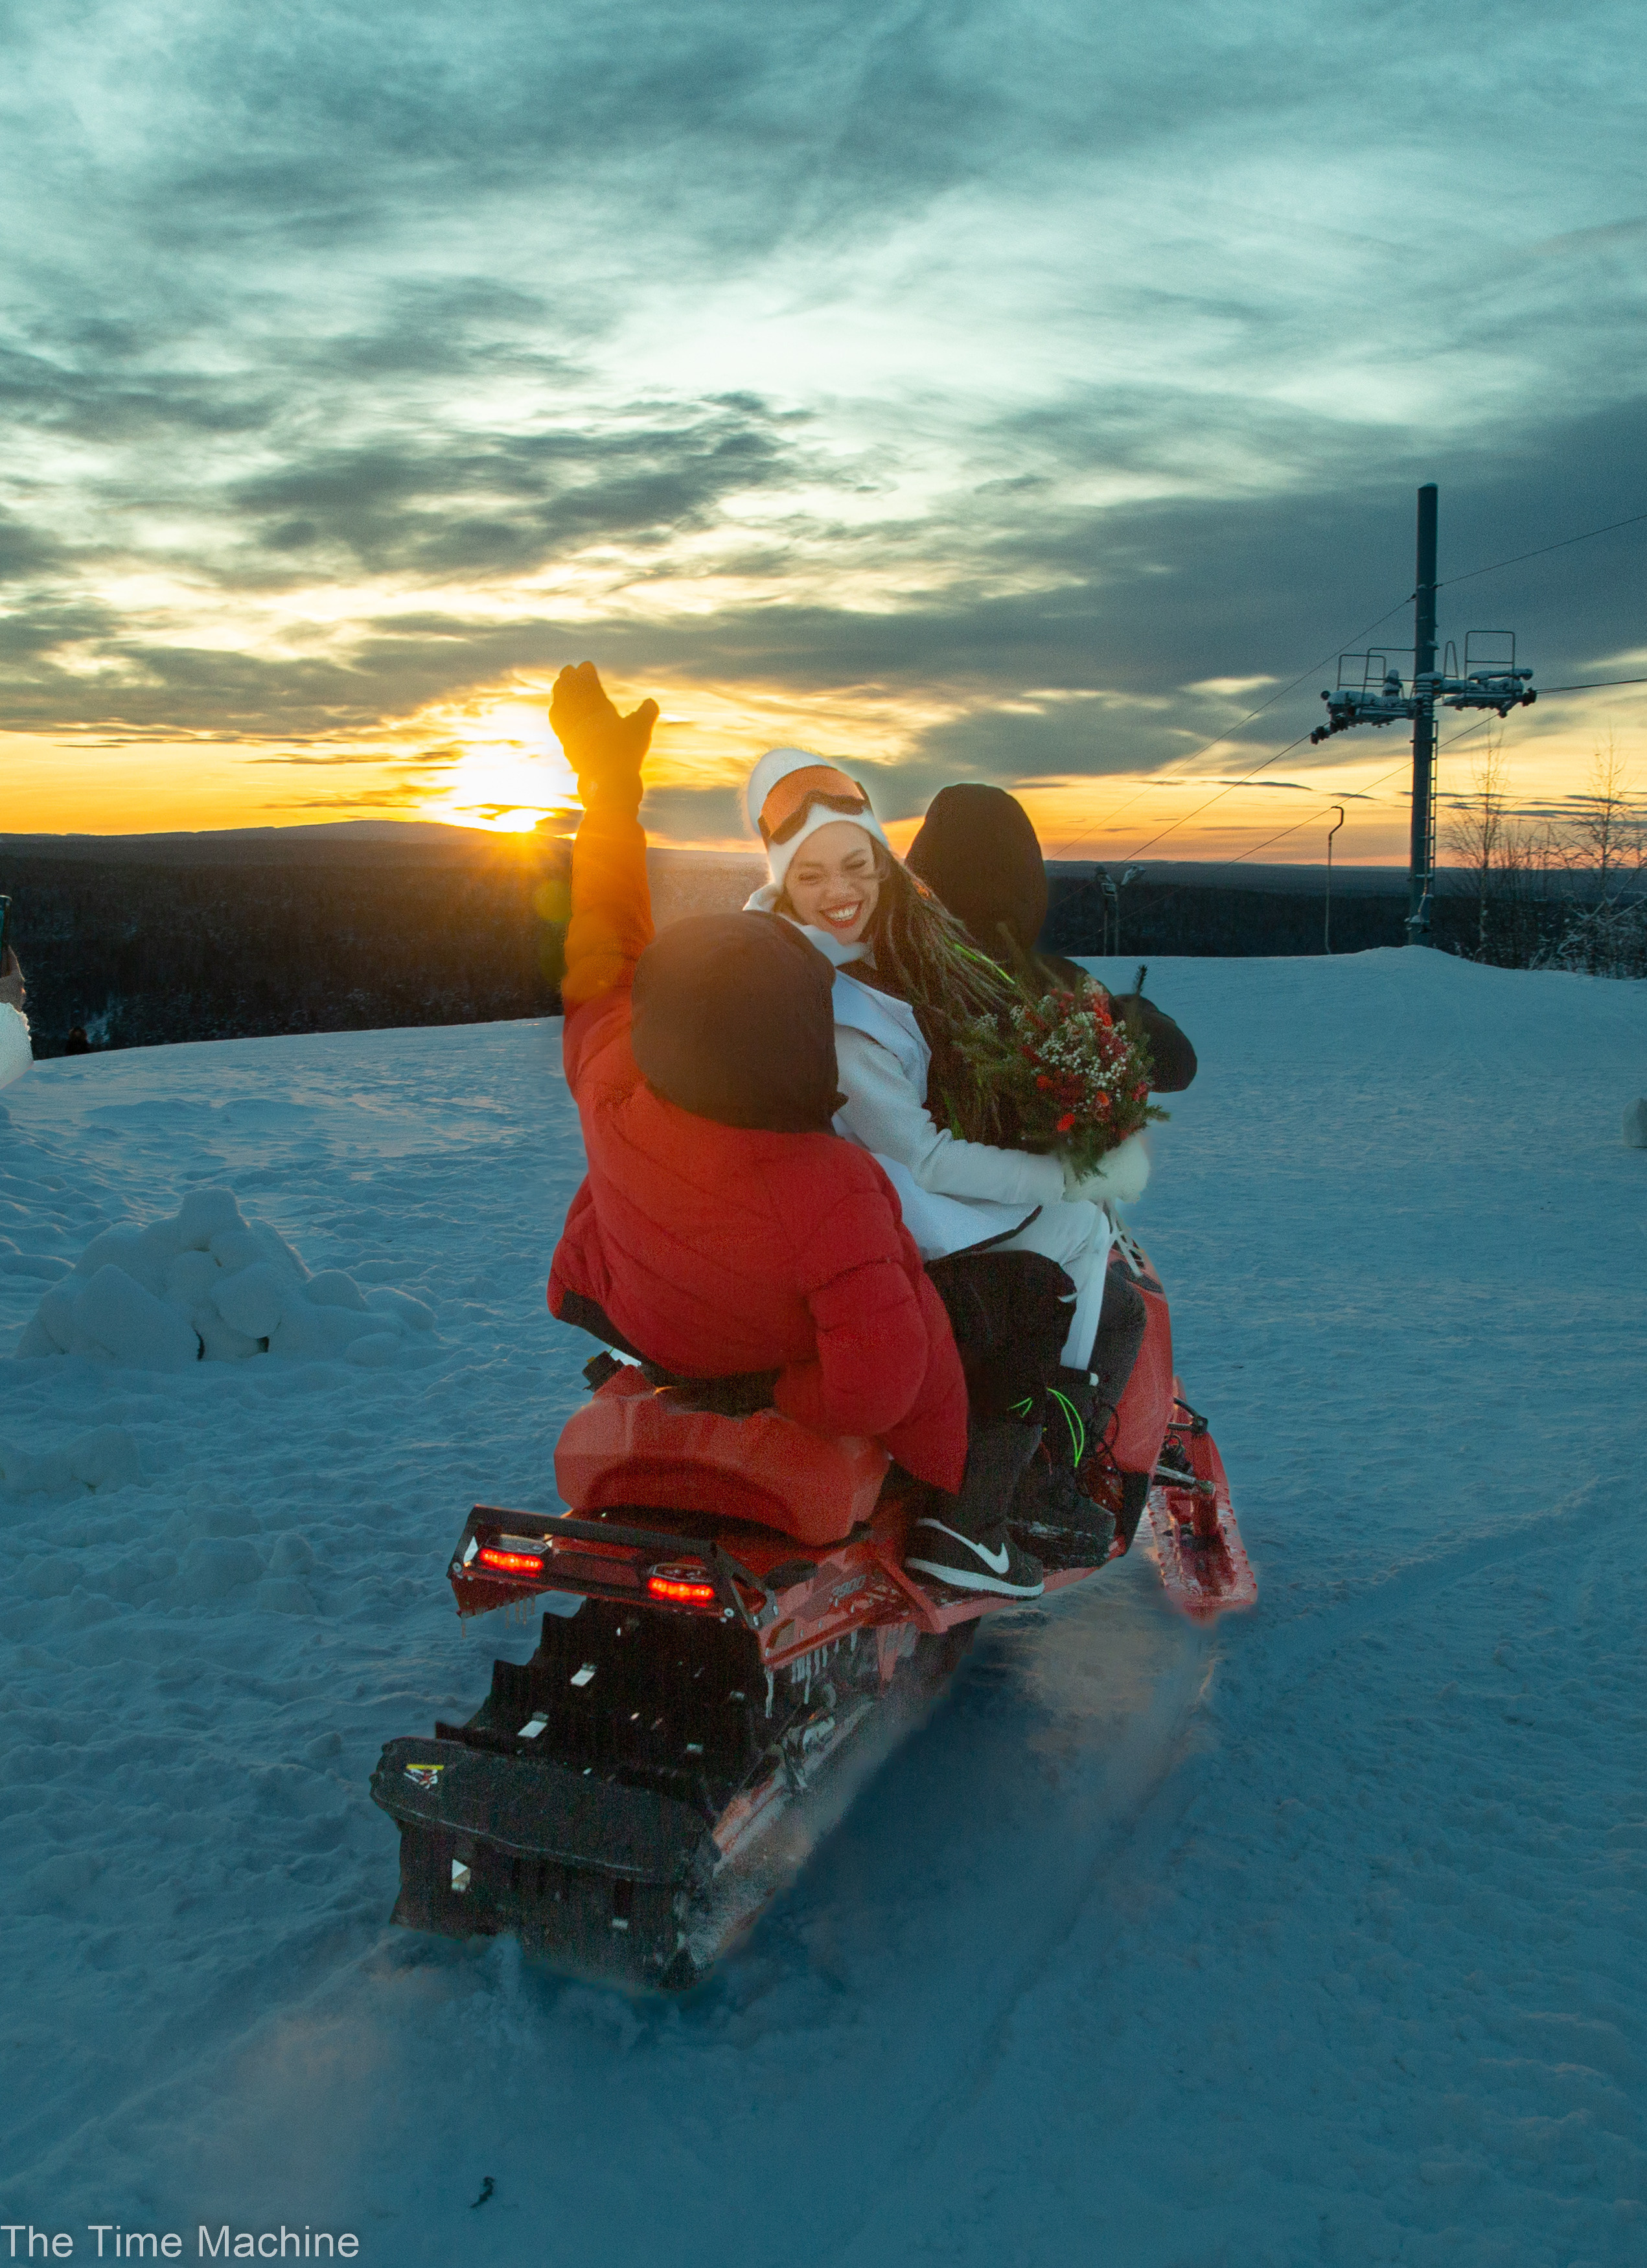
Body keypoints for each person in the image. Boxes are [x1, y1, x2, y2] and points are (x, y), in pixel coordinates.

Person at [544, 664, 1043, 1599]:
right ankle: (961, 1524)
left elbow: (602, 934)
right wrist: (783, 1395)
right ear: (799, 1035)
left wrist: (609, 794)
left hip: (648, 1322)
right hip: (760, 1359)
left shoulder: (609, 1072)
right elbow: (880, 1385)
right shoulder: (833, 1182)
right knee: (1001, 1301)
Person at [742, 751, 1127, 1566]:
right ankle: (1029, 1483)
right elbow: (921, 1155)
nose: (842, 890)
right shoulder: (831, 993)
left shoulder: (825, 955)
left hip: (839, 1198)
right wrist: (1053, 1174)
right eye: (812, 873)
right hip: (886, 1210)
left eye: (857, 864)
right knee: (1081, 1231)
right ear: (779, 873)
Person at [904, 782, 1197, 1491]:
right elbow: (1177, 1062)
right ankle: (1049, 1482)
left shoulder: (884, 965)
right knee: (1120, 1312)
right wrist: (1125, 1021)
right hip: (984, 1228)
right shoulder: (1045, 983)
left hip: (886, 1219)